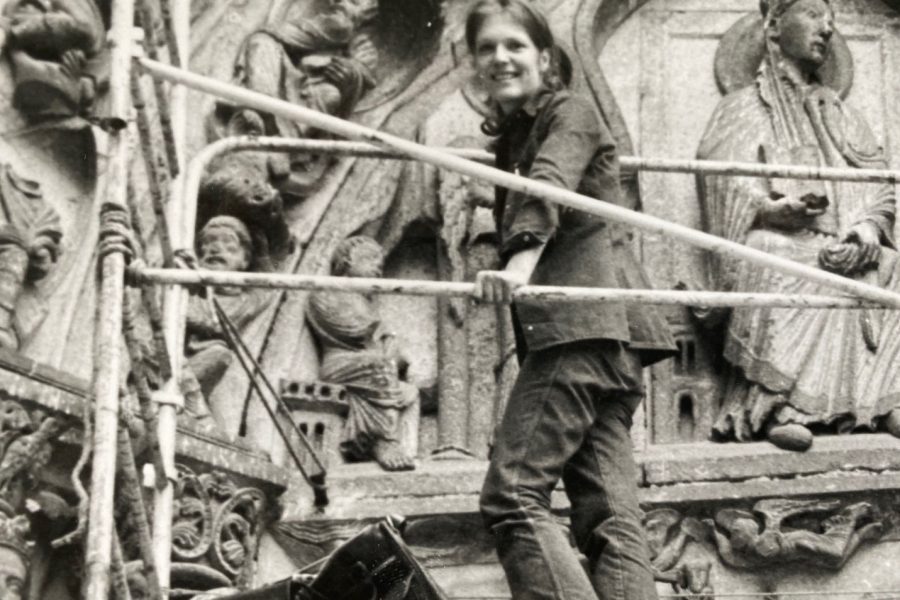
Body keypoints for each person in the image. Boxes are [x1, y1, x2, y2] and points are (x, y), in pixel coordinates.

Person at [466, 2, 676, 599]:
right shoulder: (517, 137)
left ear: (545, 57)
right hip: (614, 340)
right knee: (610, 515)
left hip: (578, 327)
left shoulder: (569, 111)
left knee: (512, 496)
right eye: (486, 48)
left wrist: (518, 266)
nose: (500, 58)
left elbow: (550, 184)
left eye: (514, 45)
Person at [696, 0, 900, 451]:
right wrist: (769, 208)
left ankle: (882, 400)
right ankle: (776, 408)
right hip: (782, 239)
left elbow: (880, 181)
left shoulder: (841, 114)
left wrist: (867, 227)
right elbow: (720, 178)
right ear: (773, 26)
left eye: (830, 20)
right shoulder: (742, 107)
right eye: (811, 13)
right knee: (769, 253)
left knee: (893, 266)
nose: (825, 28)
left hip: (846, 243)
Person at [306, 236, 419, 471]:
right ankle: (384, 441)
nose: (378, 265)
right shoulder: (328, 291)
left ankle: (408, 450)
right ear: (346, 260)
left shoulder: (363, 302)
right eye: (370, 258)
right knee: (380, 365)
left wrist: (387, 344)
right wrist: (384, 339)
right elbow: (355, 332)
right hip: (341, 363)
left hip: (369, 363)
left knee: (409, 392)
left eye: (380, 262)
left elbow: (394, 351)